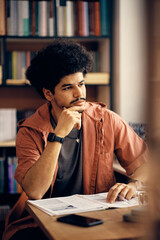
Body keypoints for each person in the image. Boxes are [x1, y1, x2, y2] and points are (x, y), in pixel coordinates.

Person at [3, 39, 148, 240]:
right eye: (67, 87)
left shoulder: (107, 119)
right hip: (43, 221)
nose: (80, 94)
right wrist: (58, 135)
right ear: (48, 94)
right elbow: (35, 191)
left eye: (81, 84)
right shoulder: (29, 131)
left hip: (97, 216)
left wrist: (134, 185)